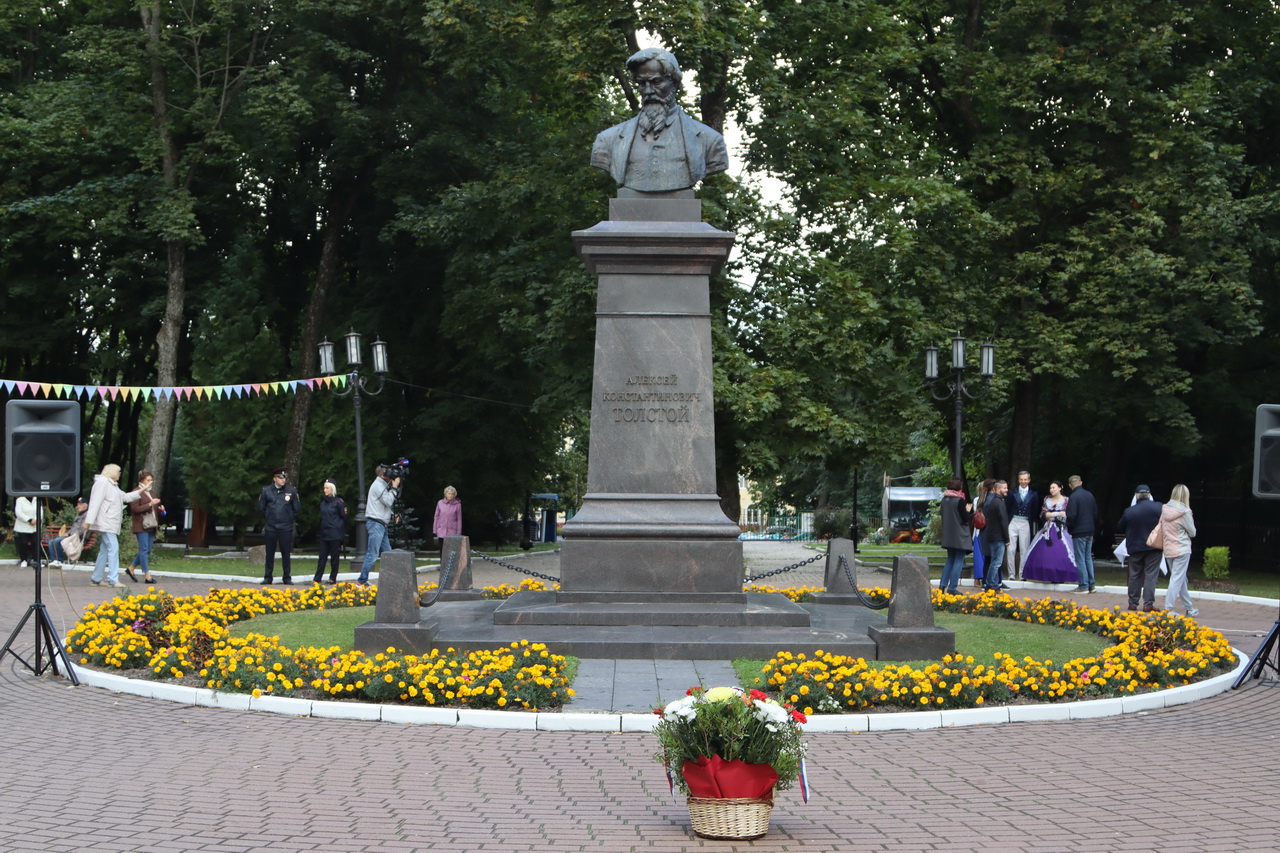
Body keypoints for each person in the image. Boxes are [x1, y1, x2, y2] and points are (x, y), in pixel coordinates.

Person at [590, 48, 730, 193]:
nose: (648, 91)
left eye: (656, 82)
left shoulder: (710, 141)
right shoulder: (607, 141)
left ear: (674, 84)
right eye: (642, 83)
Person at [86, 463, 144, 589]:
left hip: (110, 522)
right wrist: (88, 520)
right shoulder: (102, 483)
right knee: (113, 547)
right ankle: (113, 579)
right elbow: (95, 502)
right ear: (112, 472)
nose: (120, 474)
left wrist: (142, 490)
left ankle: (96, 578)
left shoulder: (113, 486)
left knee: (105, 550)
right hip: (106, 522)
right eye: (118, 471)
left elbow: (126, 497)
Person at [1116, 485, 1164, 612]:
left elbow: (1120, 526)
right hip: (1154, 547)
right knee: (1151, 576)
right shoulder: (1159, 507)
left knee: (1134, 575)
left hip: (1135, 547)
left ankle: (1133, 603)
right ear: (1149, 494)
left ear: (1136, 495)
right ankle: (1148, 604)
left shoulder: (1130, 511)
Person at [1022, 480, 1078, 584]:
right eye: (1051, 488)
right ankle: (1046, 575)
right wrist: (1055, 514)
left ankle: (1061, 575)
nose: (1051, 490)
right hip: (1048, 528)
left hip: (1061, 529)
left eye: (1054, 487)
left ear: (1060, 488)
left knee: (1061, 552)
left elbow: (1069, 515)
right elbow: (1043, 514)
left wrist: (1061, 515)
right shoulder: (1047, 499)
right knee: (1045, 552)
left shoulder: (1067, 500)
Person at [358, 464, 401, 587]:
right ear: (382, 474)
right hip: (376, 524)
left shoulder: (381, 485)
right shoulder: (377, 485)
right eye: (388, 473)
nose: (390, 475)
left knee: (388, 553)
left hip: (380, 524)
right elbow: (388, 501)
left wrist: (392, 514)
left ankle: (392, 579)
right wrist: (394, 487)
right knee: (372, 554)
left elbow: (381, 505)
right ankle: (362, 580)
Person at [1160, 484, 1199, 616]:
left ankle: (1189, 607)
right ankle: (1168, 608)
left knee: (1180, 579)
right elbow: (1192, 532)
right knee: (1177, 578)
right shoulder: (1185, 512)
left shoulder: (1164, 509)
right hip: (1182, 548)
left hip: (1168, 548)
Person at [257, 465, 300, 584]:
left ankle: (287, 577)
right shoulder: (266, 491)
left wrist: (288, 519)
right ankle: (268, 577)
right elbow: (261, 508)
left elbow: (296, 509)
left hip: (285, 527)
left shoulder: (291, 491)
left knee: (286, 553)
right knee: (269, 553)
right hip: (271, 527)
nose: (283, 480)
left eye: (284, 477)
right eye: (280, 478)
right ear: (274, 479)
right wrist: (269, 518)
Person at [125, 470, 163, 584]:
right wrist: (150, 504)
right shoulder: (136, 492)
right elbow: (135, 509)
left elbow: (153, 509)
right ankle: (147, 575)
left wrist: (160, 508)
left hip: (151, 524)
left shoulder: (152, 493)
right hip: (141, 525)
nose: (150, 482)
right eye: (148, 480)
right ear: (142, 481)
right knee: (144, 549)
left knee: (147, 550)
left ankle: (131, 568)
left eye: (152, 480)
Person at [938, 477, 973, 595]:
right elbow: (964, 519)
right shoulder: (959, 500)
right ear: (959, 487)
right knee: (958, 560)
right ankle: (952, 588)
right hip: (960, 535)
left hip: (949, 535)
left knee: (950, 560)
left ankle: (942, 585)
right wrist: (968, 511)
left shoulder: (944, 499)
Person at [1065, 474, 1099, 593]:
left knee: (1080, 559)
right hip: (1090, 530)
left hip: (1079, 531)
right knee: (1088, 557)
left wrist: (1069, 527)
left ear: (1070, 485)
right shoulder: (1090, 495)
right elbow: (1095, 513)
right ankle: (1091, 584)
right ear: (1081, 482)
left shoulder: (1073, 497)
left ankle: (1083, 585)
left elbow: (1072, 516)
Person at [1004, 471, 1039, 581]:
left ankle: (1022, 573)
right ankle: (1011, 574)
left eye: (1025, 479)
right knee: (1010, 549)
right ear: (1018, 480)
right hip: (1013, 521)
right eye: (1021, 479)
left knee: (1024, 548)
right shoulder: (1011, 493)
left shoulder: (1033, 494)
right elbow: (1007, 508)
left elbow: (1035, 510)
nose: (1023, 481)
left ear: (1029, 480)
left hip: (1025, 522)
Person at [313, 478, 348, 585]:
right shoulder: (323, 503)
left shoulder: (339, 502)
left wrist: (339, 529)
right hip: (324, 533)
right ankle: (317, 578)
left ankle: (333, 578)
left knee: (334, 557)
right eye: (324, 488)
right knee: (322, 557)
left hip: (335, 533)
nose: (325, 490)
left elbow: (344, 517)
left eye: (327, 488)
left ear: (332, 489)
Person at [980, 479, 1012, 591]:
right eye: (1004, 488)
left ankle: (991, 583)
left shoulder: (993, 501)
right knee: (996, 562)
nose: (1006, 490)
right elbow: (1003, 521)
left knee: (994, 561)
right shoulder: (999, 502)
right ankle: (990, 584)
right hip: (998, 536)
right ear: (998, 489)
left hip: (992, 534)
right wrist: (1006, 538)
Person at [48, 496, 90, 567]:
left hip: (79, 539)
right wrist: (67, 533)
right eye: (78, 504)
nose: (78, 506)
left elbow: (82, 530)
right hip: (72, 537)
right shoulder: (80, 515)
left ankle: (59, 561)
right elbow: (74, 528)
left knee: (56, 541)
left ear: (86, 505)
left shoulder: (88, 516)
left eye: (80, 504)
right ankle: (55, 561)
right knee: (52, 541)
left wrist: (69, 534)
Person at [13, 495, 37, 568]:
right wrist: (29, 519)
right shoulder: (20, 500)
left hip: (34, 526)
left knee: (35, 543)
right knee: (23, 543)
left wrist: (36, 520)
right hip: (23, 526)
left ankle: (36, 560)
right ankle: (24, 560)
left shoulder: (37, 499)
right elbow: (18, 513)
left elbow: (40, 511)